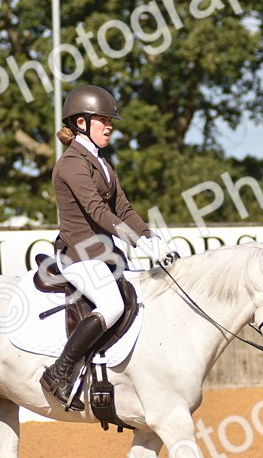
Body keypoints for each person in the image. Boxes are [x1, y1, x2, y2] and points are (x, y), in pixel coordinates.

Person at [39, 84, 170, 405]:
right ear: (81, 123)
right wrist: (135, 239)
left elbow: (122, 208)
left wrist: (154, 239)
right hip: (78, 254)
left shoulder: (102, 164)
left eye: (110, 121)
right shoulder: (72, 163)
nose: (110, 126)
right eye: (103, 120)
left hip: (103, 255)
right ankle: (59, 371)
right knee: (112, 305)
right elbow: (96, 210)